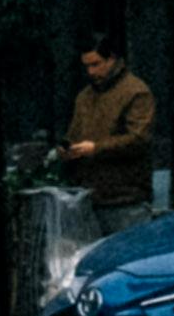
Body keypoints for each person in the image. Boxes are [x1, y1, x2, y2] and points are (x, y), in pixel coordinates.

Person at [59, 40, 158, 209]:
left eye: (96, 64)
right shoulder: (85, 96)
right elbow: (74, 133)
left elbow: (139, 139)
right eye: (87, 66)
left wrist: (95, 148)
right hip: (89, 194)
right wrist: (67, 149)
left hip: (125, 196)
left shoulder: (136, 92)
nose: (91, 71)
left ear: (112, 59)